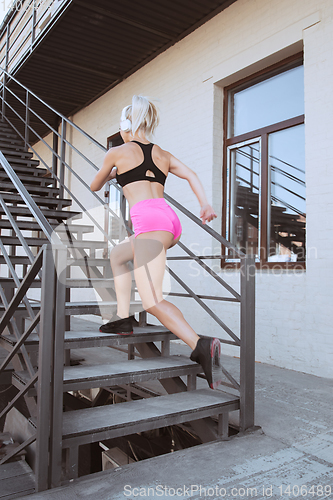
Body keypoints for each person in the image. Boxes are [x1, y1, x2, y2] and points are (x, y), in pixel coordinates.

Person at [90, 95, 222, 389]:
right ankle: (121, 318)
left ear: (125, 124)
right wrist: (205, 205)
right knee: (118, 255)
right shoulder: (162, 153)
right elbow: (191, 174)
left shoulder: (117, 152)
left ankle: (200, 343)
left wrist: (113, 172)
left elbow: (94, 185)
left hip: (149, 224)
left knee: (152, 301)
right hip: (169, 223)